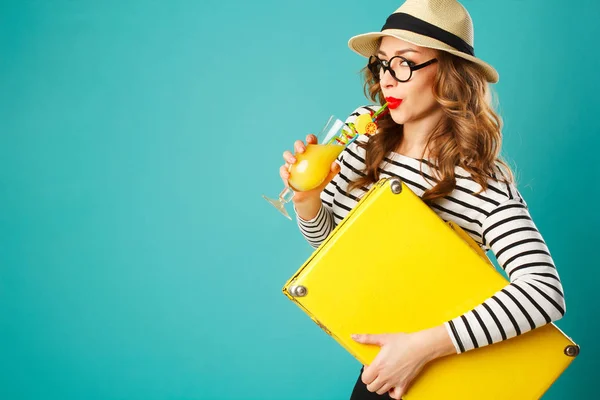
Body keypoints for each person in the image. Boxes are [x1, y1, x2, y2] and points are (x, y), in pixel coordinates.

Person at [278, 0, 566, 399]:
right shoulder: (361, 138)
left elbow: (543, 293)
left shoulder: (481, 181)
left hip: (443, 378)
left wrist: (420, 348)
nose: (388, 80)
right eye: (382, 63)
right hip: (381, 373)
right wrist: (307, 201)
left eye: (404, 63)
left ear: (449, 75)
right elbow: (339, 253)